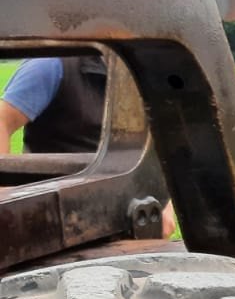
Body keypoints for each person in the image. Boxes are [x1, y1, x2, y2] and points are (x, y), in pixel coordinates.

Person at [2, 54, 175, 235]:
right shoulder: (51, 65)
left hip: (126, 214)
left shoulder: (145, 71)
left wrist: (164, 201)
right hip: (53, 218)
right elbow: (2, 121)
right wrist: (5, 195)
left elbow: (159, 142)